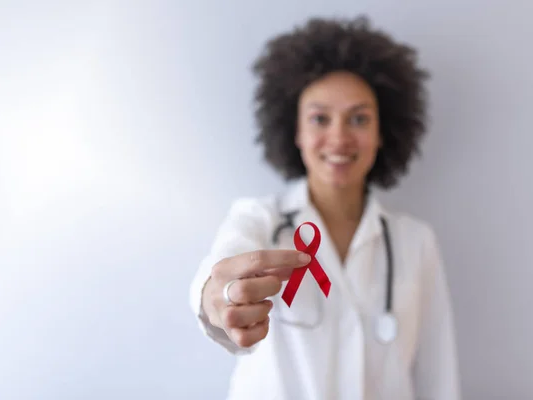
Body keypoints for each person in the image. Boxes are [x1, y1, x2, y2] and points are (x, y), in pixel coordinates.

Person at [189, 15, 461, 400]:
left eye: (359, 118)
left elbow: (438, 380)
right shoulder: (259, 220)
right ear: (295, 130)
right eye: (320, 118)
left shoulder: (415, 242)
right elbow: (220, 272)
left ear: (382, 132)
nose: (339, 137)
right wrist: (218, 298)